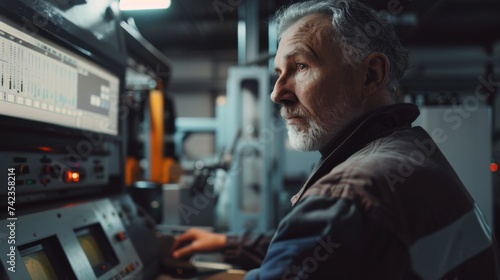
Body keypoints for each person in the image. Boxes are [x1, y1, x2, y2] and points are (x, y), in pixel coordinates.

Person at [172, 0, 500, 278]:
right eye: (277, 74)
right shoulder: (413, 151)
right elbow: (337, 247)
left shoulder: (350, 194)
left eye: (300, 66)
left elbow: (333, 231)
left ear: (370, 75)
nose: (277, 94)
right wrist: (228, 244)